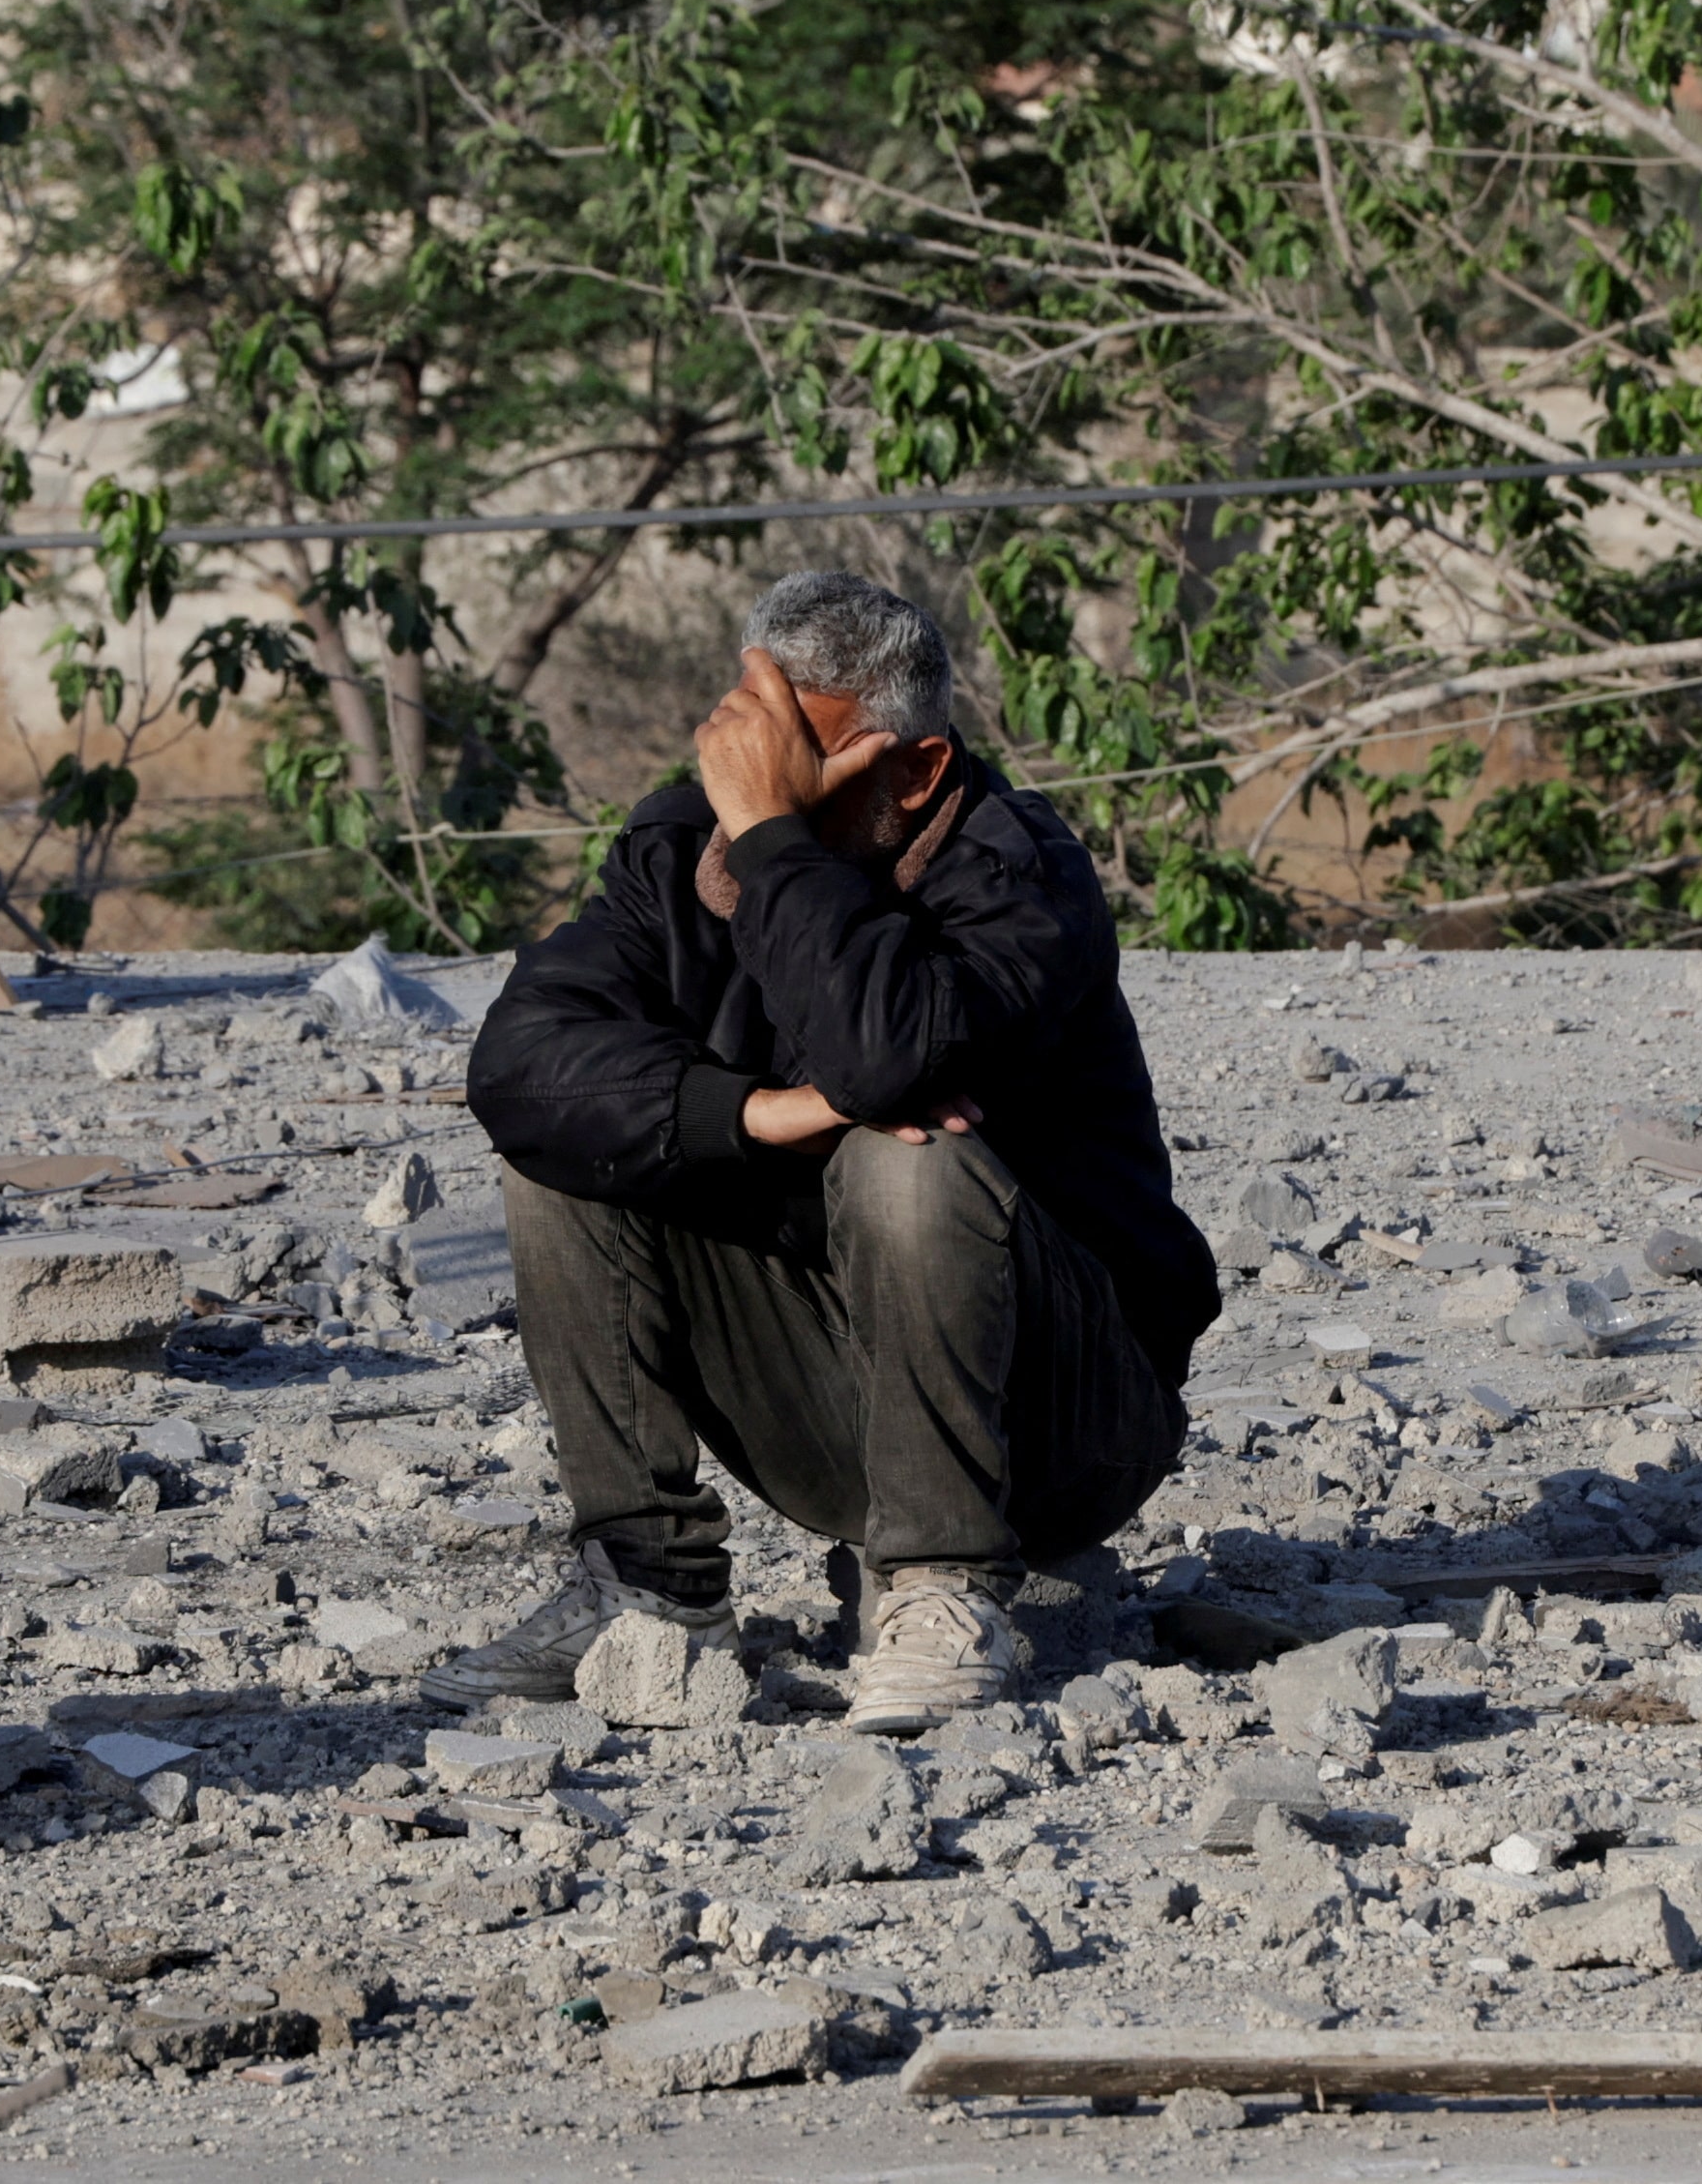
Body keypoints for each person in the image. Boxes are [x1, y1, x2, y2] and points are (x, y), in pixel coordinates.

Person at [435, 570, 1217, 1733]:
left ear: (919, 769)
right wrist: (751, 1112)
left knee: (908, 1154)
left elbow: (885, 1059)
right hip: (836, 1393)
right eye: (753, 748)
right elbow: (516, 1065)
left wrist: (767, 837)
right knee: (572, 1149)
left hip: (1064, 1422)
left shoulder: (1017, 876)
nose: (757, 782)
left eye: (805, 762)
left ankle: (942, 1586)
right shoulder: (675, 853)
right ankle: (650, 1594)